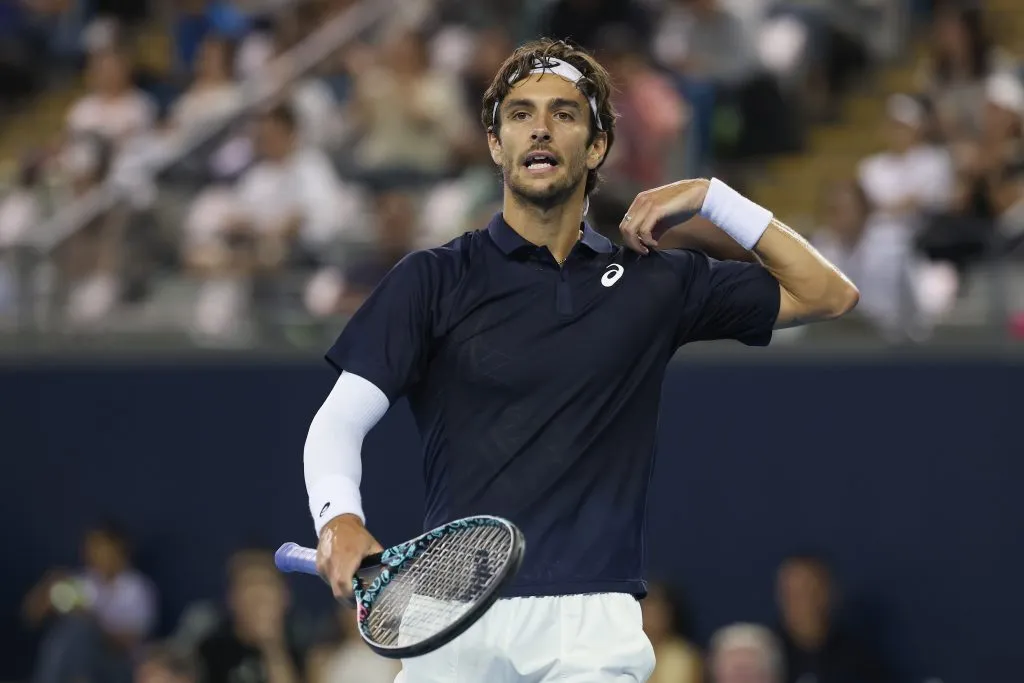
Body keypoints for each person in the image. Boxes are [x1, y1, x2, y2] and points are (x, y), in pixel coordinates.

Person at [304, 38, 858, 682]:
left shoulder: (657, 282)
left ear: (596, 147)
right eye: (520, 114)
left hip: (590, 627)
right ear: (495, 144)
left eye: (564, 113)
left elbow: (829, 293)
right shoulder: (431, 279)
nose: (540, 127)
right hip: (446, 615)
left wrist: (712, 197)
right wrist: (338, 518)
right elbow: (338, 421)